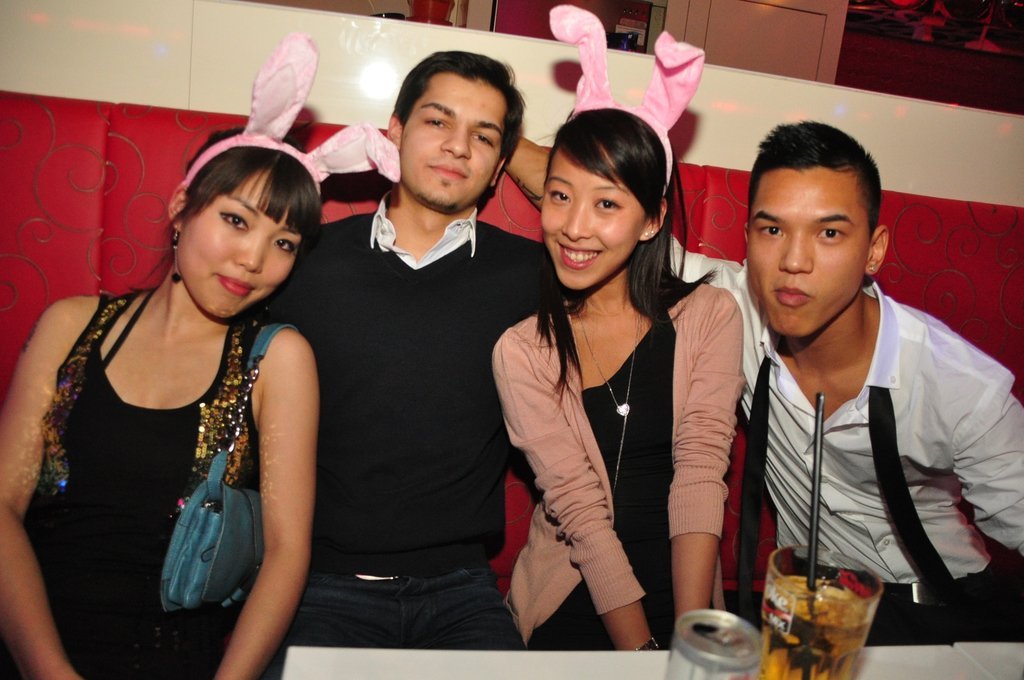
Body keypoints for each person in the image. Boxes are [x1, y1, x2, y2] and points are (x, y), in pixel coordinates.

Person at [509, 120, 1024, 646]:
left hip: (939, 611)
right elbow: (604, 217)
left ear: (874, 249)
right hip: (804, 608)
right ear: (749, 237)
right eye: (772, 230)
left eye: (829, 233)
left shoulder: (962, 386)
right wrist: (493, 137)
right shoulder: (728, 306)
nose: (794, 263)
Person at [0, 33, 398, 679]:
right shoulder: (69, 325)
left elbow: (286, 553)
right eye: (236, 221)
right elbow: (2, 507)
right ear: (182, 209)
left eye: (284, 242)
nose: (253, 259)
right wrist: (47, 670)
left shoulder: (277, 359)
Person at [264, 50, 541, 665]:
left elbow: (618, 213)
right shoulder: (306, 260)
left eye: (483, 137)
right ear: (393, 131)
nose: (457, 147)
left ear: (500, 166)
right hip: (320, 584)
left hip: (464, 592)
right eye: (437, 121)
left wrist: (523, 152)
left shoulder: (532, 276)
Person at [491, 6, 744, 651]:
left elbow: (700, 472)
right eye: (560, 195)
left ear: (652, 219)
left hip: (687, 599)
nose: (574, 226)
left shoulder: (710, 317)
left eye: (607, 203)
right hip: (573, 601)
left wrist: (689, 640)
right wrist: (640, 656)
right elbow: (579, 511)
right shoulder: (524, 350)